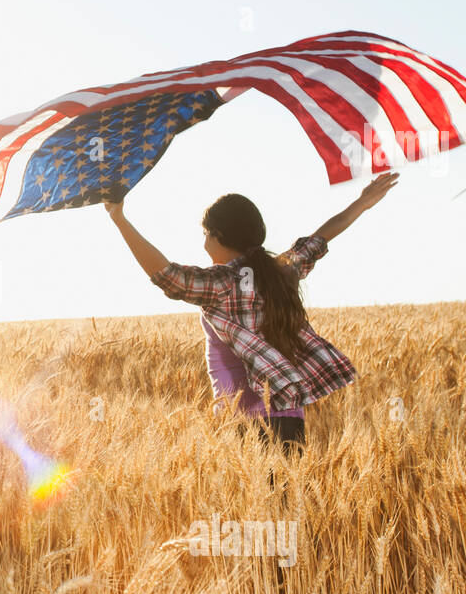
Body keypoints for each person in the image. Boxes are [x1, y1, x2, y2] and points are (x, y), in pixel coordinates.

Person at [104, 173, 399, 450]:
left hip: (244, 423)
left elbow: (167, 275)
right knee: (284, 503)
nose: (204, 243)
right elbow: (319, 240)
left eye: (206, 234)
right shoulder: (281, 271)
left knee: (252, 506)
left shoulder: (222, 283)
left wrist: (120, 220)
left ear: (218, 235)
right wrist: (362, 202)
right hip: (290, 420)